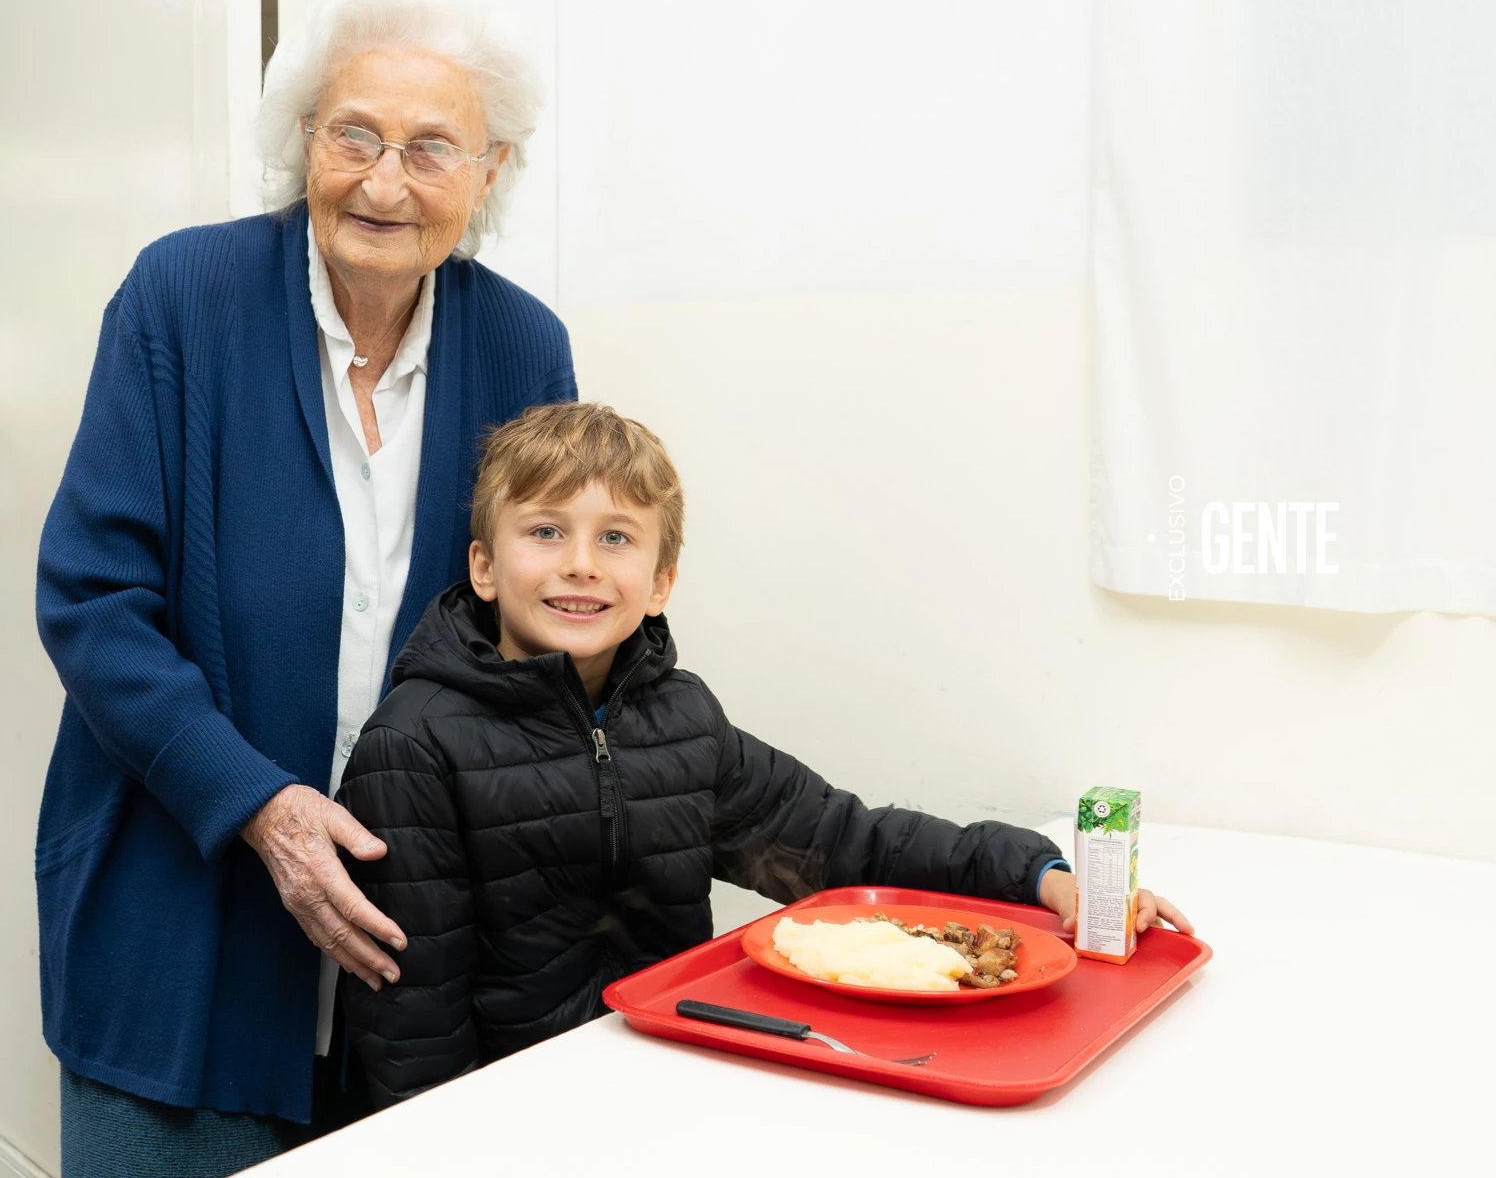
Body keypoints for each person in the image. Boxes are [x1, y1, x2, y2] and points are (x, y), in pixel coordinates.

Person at [33, 0, 573, 1175]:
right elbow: (91, 598)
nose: (385, 182)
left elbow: (541, 629)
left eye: (431, 148)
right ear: (304, 140)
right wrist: (264, 808)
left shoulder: (525, 349)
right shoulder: (182, 297)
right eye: (354, 135)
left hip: (414, 964)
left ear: (488, 171)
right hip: (179, 930)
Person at [338, 403, 1194, 1103]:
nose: (582, 565)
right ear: (485, 567)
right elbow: (412, 1032)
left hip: (676, 1083)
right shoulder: (413, 744)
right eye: (546, 531)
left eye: (616, 538)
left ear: (662, 582)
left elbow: (843, 842)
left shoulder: (683, 717)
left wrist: (1038, 875)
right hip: (514, 1116)